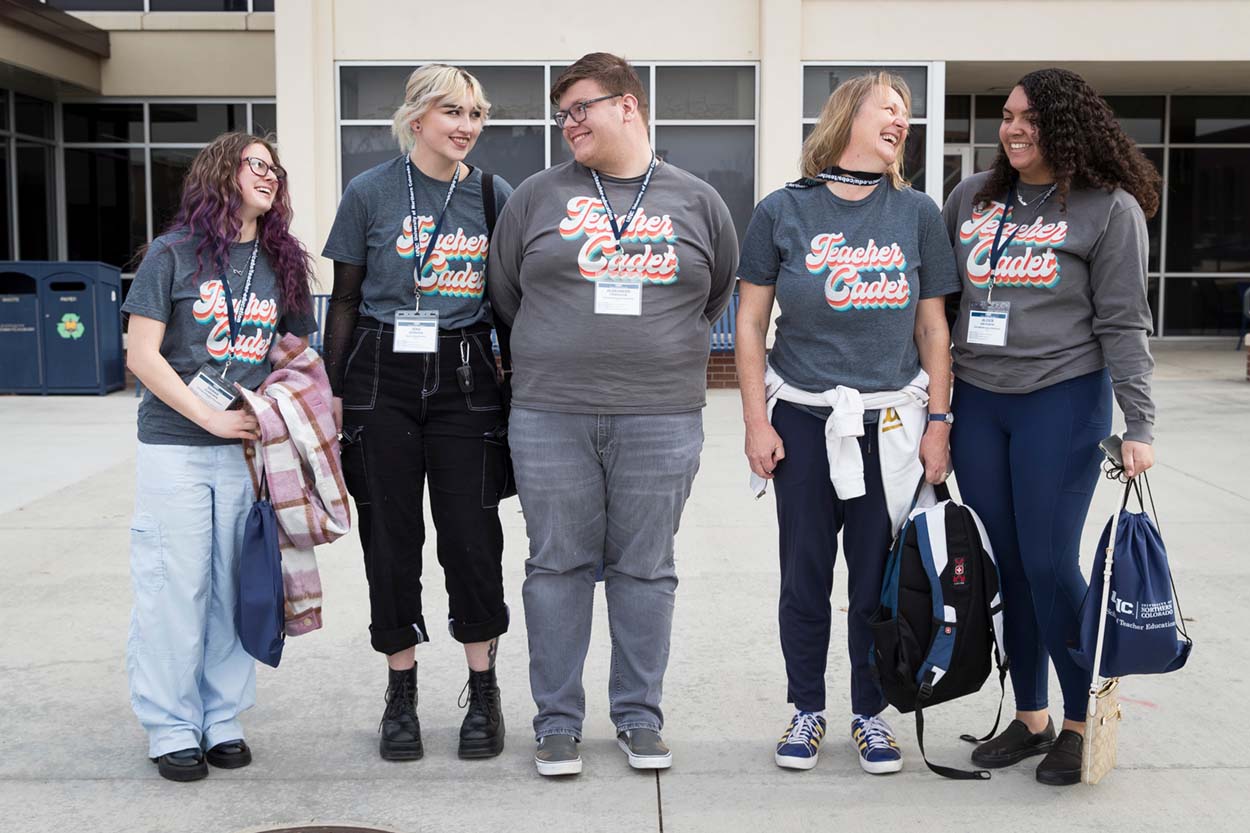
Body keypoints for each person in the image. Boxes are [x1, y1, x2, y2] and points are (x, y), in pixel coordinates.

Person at [486, 52, 739, 776]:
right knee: (555, 564)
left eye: (580, 109)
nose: (568, 124)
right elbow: (507, 294)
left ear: (627, 105)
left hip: (661, 416)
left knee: (645, 569)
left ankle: (637, 717)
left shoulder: (698, 200)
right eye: (561, 114)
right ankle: (557, 722)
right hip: (550, 413)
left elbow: (713, 290)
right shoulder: (536, 197)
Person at [736, 71, 960, 775]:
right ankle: (807, 707)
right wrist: (754, 421)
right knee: (803, 578)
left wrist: (939, 424)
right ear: (847, 116)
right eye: (888, 108)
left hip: (889, 423)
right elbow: (749, 321)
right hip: (802, 419)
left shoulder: (917, 212)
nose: (901, 120)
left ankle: (871, 713)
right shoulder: (781, 210)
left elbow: (933, 329)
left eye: (907, 113)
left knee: (875, 581)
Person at [942, 67, 1158, 786]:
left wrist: (1140, 422)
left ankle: (1079, 716)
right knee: (1006, 563)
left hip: (1061, 400)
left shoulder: (1108, 208)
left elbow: (1124, 322)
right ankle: (1030, 716)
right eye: (1007, 116)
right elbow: (938, 305)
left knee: (1047, 561)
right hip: (979, 399)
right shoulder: (972, 196)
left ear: (1068, 127)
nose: (1014, 129)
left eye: (1032, 119)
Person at [321, 64, 514, 762]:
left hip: (465, 375)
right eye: (452, 112)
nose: (466, 125)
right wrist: (332, 391)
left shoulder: (495, 195)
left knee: (471, 535)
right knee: (390, 538)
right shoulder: (368, 192)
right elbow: (343, 299)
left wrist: (515, 390)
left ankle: (483, 686)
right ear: (417, 117)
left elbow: (509, 306)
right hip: (380, 374)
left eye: (475, 113)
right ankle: (400, 689)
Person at [123, 132, 317, 782]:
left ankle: (223, 716)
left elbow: (297, 357)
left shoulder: (281, 261)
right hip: (177, 446)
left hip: (244, 451)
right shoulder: (171, 255)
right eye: (256, 164)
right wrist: (211, 415)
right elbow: (142, 355)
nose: (270, 174)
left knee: (237, 582)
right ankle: (171, 724)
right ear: (220, 172)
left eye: (274, 168)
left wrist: (277, 413)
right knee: (175, 583)